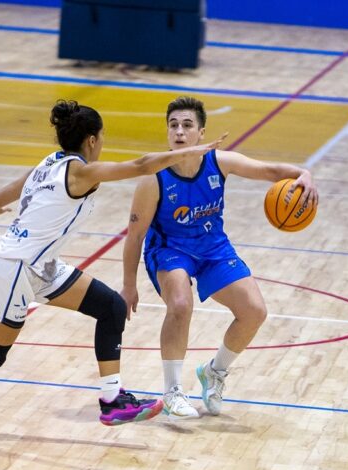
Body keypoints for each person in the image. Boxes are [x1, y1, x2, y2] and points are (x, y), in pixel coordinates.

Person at [0, 99, 226, 426]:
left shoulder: (47, 163)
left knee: (110, 307)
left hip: (41, 267)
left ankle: (112, 400)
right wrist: (190, 152)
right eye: (102, 138)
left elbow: (0, 196)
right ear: (92, 141)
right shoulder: (81, 171)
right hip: (12, 269)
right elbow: (141, 165)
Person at [121, 95, 318, 419]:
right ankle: (171, 391)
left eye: (187, 125)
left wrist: (303, 173)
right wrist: (129, 285)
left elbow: (269, 170)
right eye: (173, 126)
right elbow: (134, 236)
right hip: (170, 250)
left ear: (201, 132)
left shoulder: (219, 162)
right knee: (181, 305)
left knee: (254, 311)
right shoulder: (154, 178)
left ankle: (215, 372)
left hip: (213, 247)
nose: (179, 132)